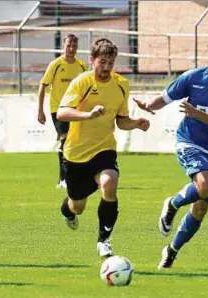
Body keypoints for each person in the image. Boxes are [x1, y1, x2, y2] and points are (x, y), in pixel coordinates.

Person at [133, 32, 208, 269]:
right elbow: (165, 97)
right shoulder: (193, 77)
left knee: (201, 207)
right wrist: (148, 106)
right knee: (206, 185)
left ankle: (171, 250)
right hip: (189, 141)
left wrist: (195, 112)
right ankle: (173, 204)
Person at [57, 38, 150, 258]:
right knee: (77, 205)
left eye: (111, 62)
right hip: (76, 154)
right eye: (103, 62)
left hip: (104, 149)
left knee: (110, 183)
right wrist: (87, 115)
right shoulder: (82, 82)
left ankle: (104, 240)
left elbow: (121, 121)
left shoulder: (121, 85)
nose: (107, 67)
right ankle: (67, 210)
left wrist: (136, 124)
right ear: (92, 60)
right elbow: (62, 113)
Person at [37, 34, 87, 189]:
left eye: (74, 46)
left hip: (75, 110)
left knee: (75, 143)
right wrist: (40, 110)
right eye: (68, 46)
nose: (71, 49)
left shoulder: (82, 66)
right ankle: (63, 179)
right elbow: (43, 86)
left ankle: (75, 177)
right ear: (63, 46)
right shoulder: (56, 64)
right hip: (58, 109)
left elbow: (87, 88)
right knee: (65, 140)